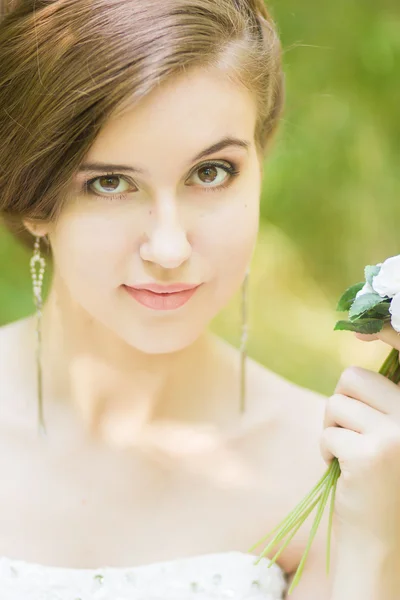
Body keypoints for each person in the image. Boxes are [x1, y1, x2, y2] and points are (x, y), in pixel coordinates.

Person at [0, 0, 399, 598]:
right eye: (110, 183)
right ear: (32, 199)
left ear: (260, 163)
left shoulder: (336, 469)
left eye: (211, 172)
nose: (168, 246)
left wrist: (373, 540)